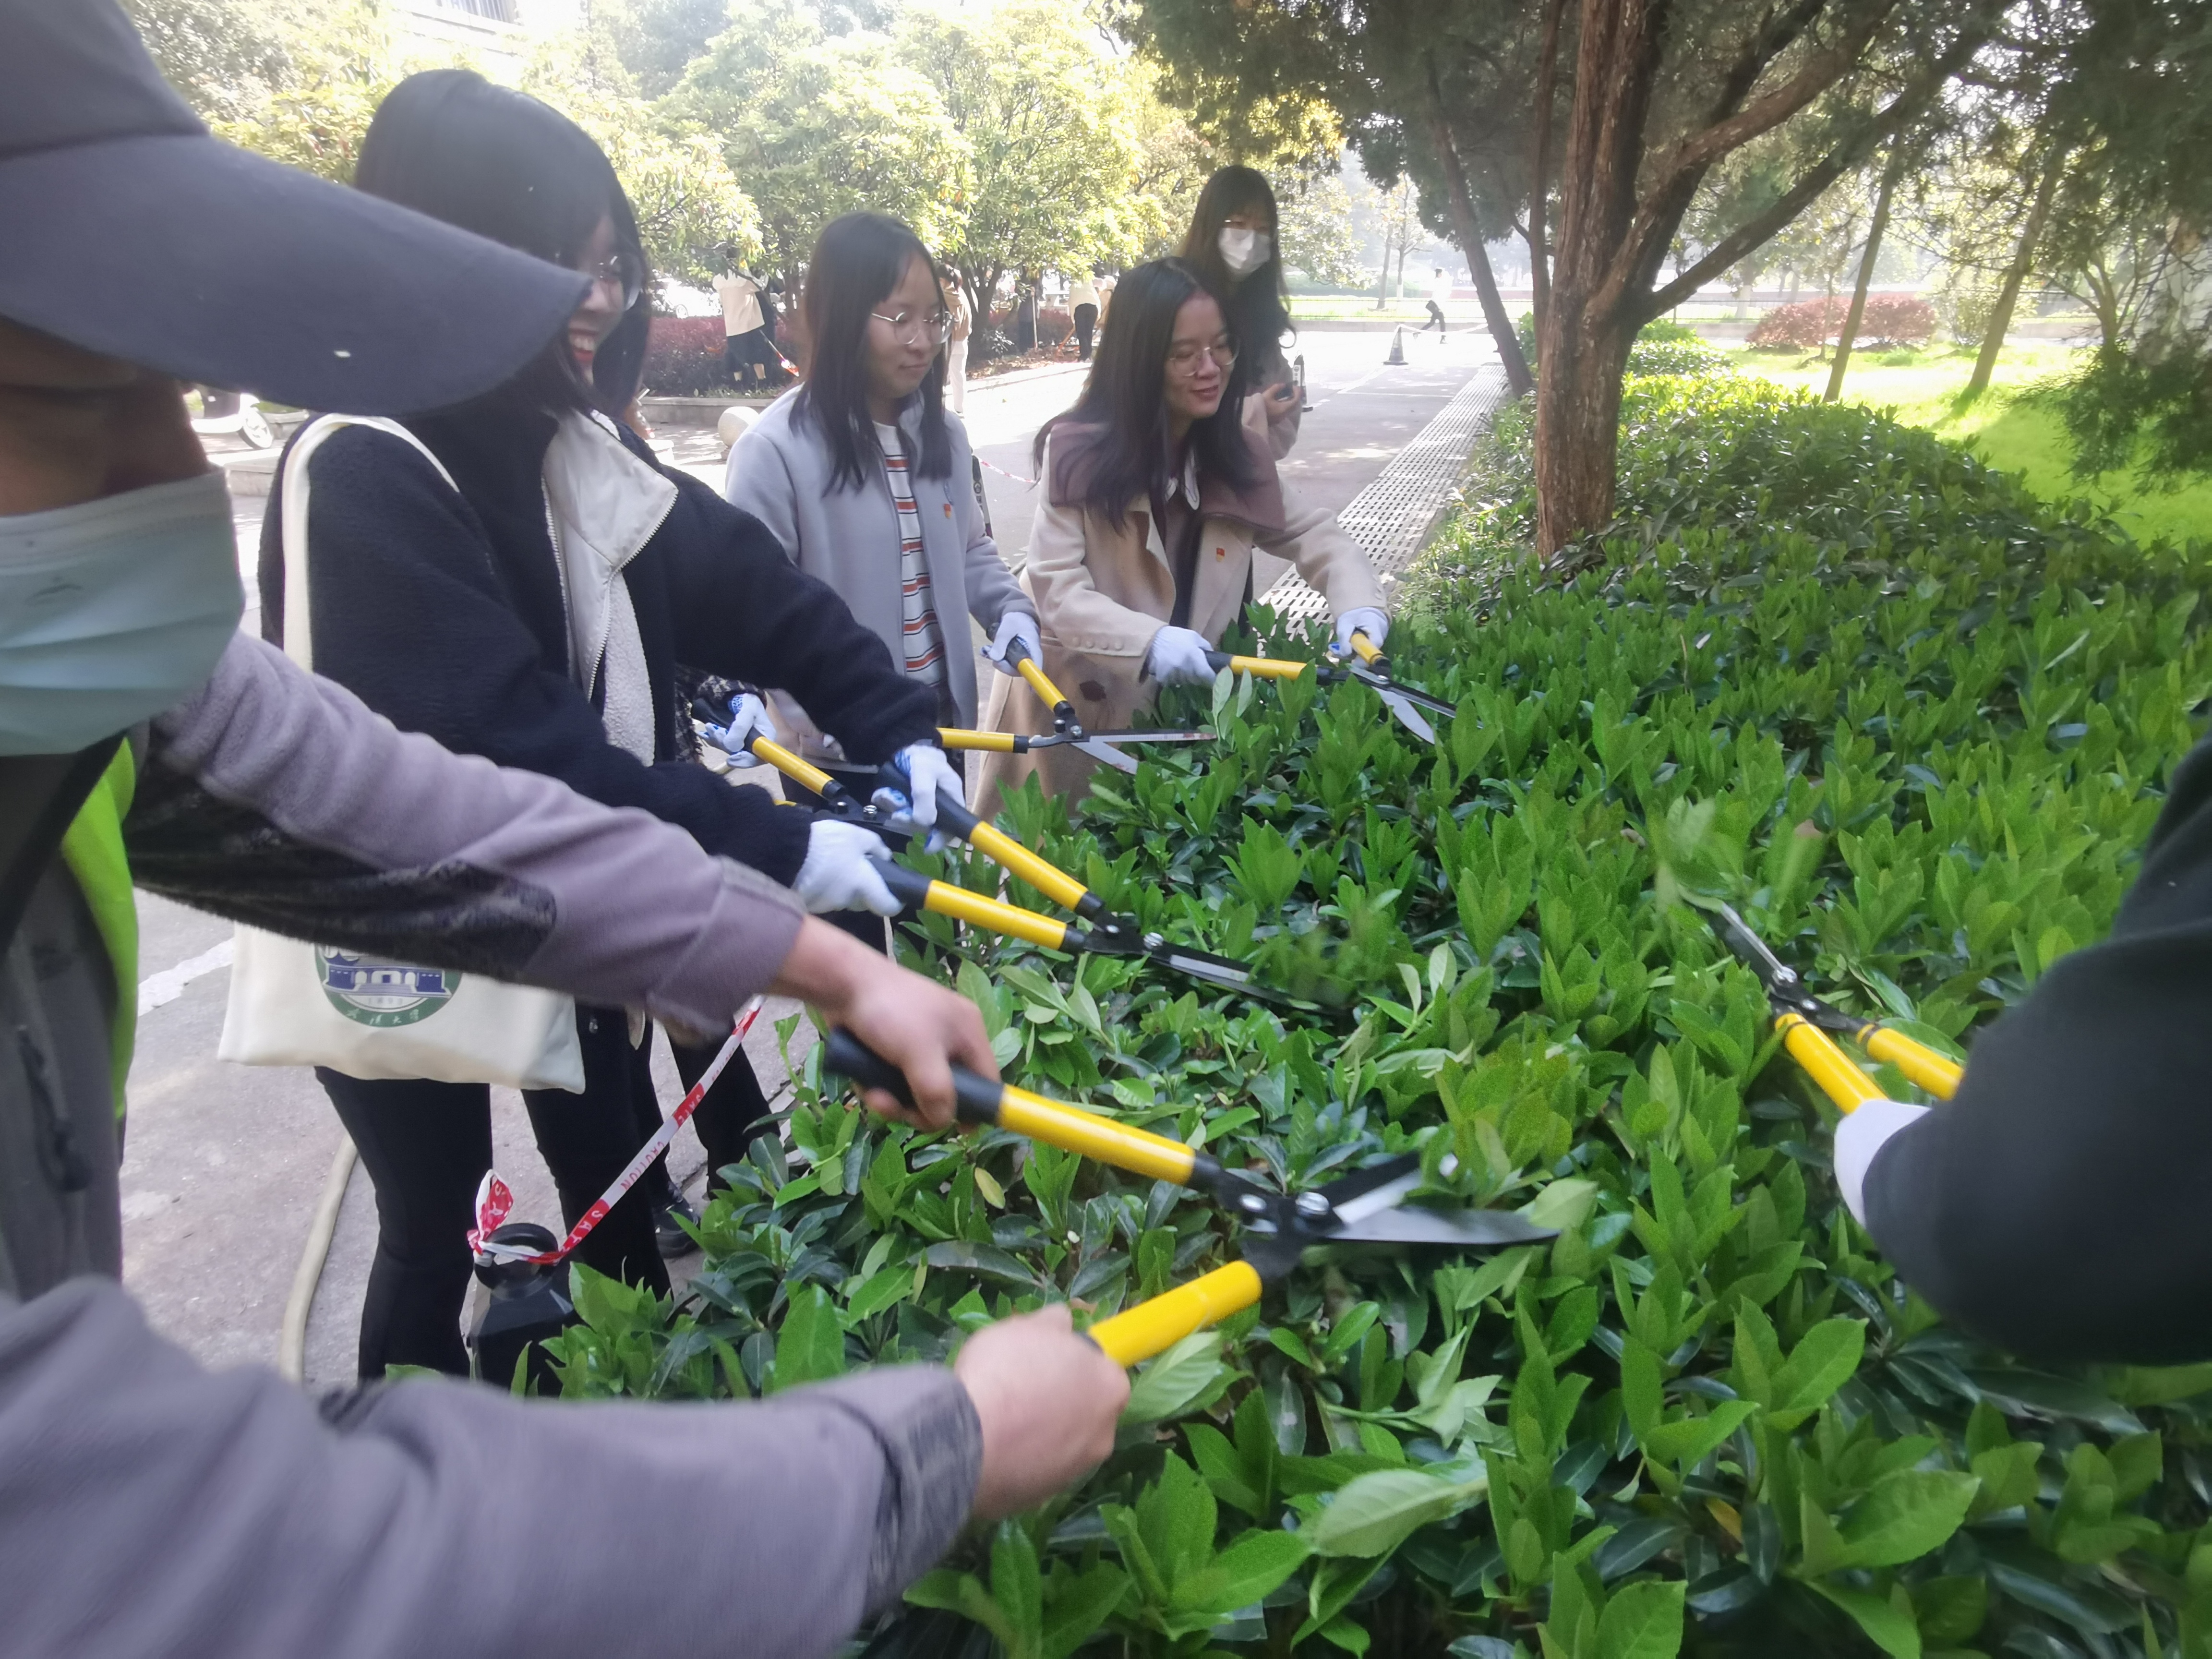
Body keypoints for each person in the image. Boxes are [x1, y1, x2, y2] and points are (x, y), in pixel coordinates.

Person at [0, 1, 1128, 1650]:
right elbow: (190, 1545)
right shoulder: (374, 468)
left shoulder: (116, 682)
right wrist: (913, 1459)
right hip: (404, 1008)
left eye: (162, 393)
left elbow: (388, 805)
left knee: (620, 1190)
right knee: (435, 1222)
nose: (166, 473)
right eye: (59, 397)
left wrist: (810, 948)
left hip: (568, 956)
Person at [262, 72, 967, 1375]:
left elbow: (745, 585)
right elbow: (515, 749)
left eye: (608, 265)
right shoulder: (364, 466)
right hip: (398, 918)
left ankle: (640, 1406)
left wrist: (895, 719)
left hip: (554, 880)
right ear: (445, 250)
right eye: (560, 264)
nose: (597, 300)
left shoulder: (563, 443)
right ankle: (399, 1465)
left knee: (615, 1158)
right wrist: (779, 846)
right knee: (431, 1219)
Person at [973, 259, 1389, 808]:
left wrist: (1361, 607)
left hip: (1177, 718)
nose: (1210, 368)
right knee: (1053, 852)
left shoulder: (1233, 452)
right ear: (1140, 359)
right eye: (1184, 354)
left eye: (1221, 347)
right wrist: (1150, 641)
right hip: (1074, 706)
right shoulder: (1080, 450)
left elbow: (1320, 538)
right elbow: (1057, 590)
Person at [724, 213, 1040, 772]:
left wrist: (1010, 610)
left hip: (942, 732)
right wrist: (835, 727)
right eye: (900, 319)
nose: (924, 341)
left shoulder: (945, 434)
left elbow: (970, 549)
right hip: (840, 758)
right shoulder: (773, 452)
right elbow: (757, 616)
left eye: (934, 318)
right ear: (842, 315)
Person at [1178, 166, 1302, 459]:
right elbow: (1155, 411)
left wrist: (1263, 414)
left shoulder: (1263, 316)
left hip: (1244, 475)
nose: (1251, 241)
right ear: (1209, 225)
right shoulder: (1171, 298)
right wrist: (1257, 412)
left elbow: (1283, 428)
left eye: (1263, 229)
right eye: (1238, 224)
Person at [713, 243, 775, 391]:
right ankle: (762, 383)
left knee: (735, 355)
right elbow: (760, 286)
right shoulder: (743, 279)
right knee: (757, 355)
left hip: (732, 325)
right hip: (750, 323)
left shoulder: (720, 280)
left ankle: (738, 385)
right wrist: (765, 273)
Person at [942, 262, 971, 415]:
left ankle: (940, 410)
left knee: (942, 377)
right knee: (959, 376)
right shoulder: (962, 294)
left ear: (942, 280)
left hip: (948, 341)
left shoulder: (944, 296)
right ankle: (960, 409)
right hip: (963, 340)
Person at [1069, 266, 1100, 361]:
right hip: (1093, 308)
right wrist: (1098, 313)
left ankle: (1085, 355)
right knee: (1088, 332)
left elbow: (1072, 301)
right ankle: (1088, 354)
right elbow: (1096, 298)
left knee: (1081, 333)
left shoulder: (1074, 285)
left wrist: (1073, 318)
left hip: (1080, 308)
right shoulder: (1090, 284)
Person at [1419, 266, 1450, 338]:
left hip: (1434, 305)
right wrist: (1439, 308)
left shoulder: (1438, 281)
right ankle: (1443, 338)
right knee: (1442, 322)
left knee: (1432, 323)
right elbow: (1437, 296)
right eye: (1441, 274)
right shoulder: (1439, 282)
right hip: (1435, 306)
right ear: (1439, 274)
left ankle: (1417, 333)